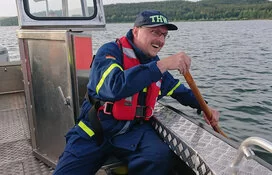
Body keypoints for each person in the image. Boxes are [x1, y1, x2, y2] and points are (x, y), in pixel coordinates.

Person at [53, 10, 220, 175]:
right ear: (136, 31)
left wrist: (204, 107)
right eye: (155, 32)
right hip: (94, 130)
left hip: (132, 131)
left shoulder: (155, 64)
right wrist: (163, 65)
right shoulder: (110, 52)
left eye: (164, 35)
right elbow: (113, 86)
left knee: (159, 157)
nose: (160, 40)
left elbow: (179, 90)